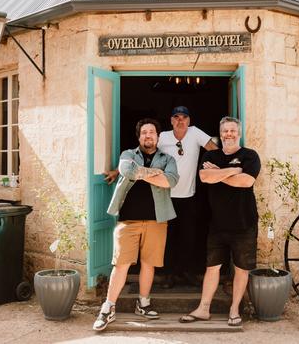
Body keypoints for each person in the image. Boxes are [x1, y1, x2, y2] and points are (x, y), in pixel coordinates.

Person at [92, 118, 179, 331]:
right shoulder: (128, 155)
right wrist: (155, 174)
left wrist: (143, 174)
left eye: (152, 132)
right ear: (139, 137)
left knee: (149, 264)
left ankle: (143, 303)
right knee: (120, 264)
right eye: (144, 133)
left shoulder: (168, 158)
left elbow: (171, 181)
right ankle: (108, 307)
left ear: (158, 137)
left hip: (157, 219)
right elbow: (127, 171)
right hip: (128, 219)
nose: (148, 135)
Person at [179, 116, 261, 327]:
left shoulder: (250, 155)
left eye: (233, 130)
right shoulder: (211, 154)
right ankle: (203, 309)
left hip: (244, 223)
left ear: (239, 133)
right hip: (218, 224)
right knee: (212, 267)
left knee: (241, 268)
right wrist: (233, 170)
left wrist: (219, 173)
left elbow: (246, 181)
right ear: (221, 133)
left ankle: (234, 310)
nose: (229, 134)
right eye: (225, 131)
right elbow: (205, 177)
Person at [157, 106, 218, 287]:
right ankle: (169, 274)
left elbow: (213, 149)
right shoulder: (163, 137)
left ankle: (187, 272)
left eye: (184, 117)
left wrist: (219, 168)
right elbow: (145, 151)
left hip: (189, 196)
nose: (180, 120)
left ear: (189, 120)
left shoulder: (194, 133)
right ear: (171, 120)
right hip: (166, 196)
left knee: (189, 237)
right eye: (176, 117)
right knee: (169, 237)